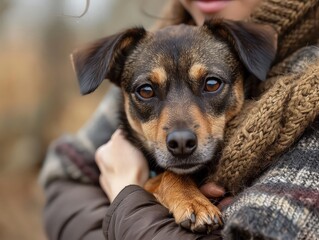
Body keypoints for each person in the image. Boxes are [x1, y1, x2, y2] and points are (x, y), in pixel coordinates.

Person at [39, 0, 319, 239]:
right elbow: (62, 177)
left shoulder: (308, 88)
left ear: (245, 73)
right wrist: (161, 189)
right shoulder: (147, 53)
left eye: (210, 85)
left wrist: (126, 194)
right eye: (148, 91)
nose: (180, 134)